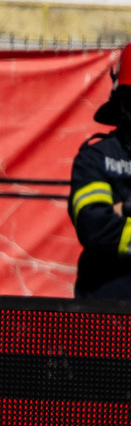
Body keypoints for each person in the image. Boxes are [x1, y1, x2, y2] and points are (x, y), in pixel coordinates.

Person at [67, 47, 131, 301]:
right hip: (106, 312)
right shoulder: (95, 160)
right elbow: (95, 228)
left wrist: (121, 209)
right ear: (124, 102)